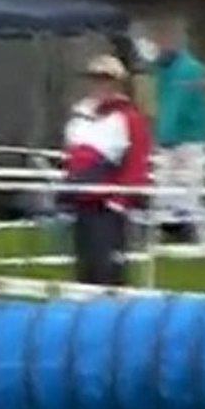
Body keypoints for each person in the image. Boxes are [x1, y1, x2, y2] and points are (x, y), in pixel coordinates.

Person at [63, 55, 151, 286]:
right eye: (95, 79)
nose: (99, 85)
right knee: (85, 267)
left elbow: (136, 163)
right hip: (82, 200)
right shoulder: (81, 115)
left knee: (107, 268)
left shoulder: (128, 118)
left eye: (105, 79)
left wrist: (119, 201)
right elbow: (74, 156)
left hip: (108, 204)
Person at [151, 19, 205, 244]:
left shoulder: (190, 69)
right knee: (167, 182)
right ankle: (170, 225)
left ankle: (186, 226)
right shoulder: (162, 69)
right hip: (172, 135)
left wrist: (165, 135)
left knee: (187, 182)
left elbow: (178, 104)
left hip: (189, 135)